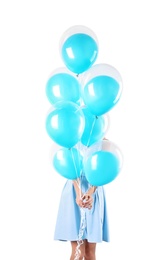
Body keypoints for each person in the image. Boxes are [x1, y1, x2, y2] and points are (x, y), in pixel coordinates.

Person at [54, 140, 109, 260]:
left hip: (94, 189)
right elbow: (69, 167)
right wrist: (79, 193)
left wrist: (90, 192)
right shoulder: (72, 137)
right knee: (78, 252)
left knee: (90, 252)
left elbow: (103, 171)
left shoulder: (104, 143)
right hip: (74, 189)